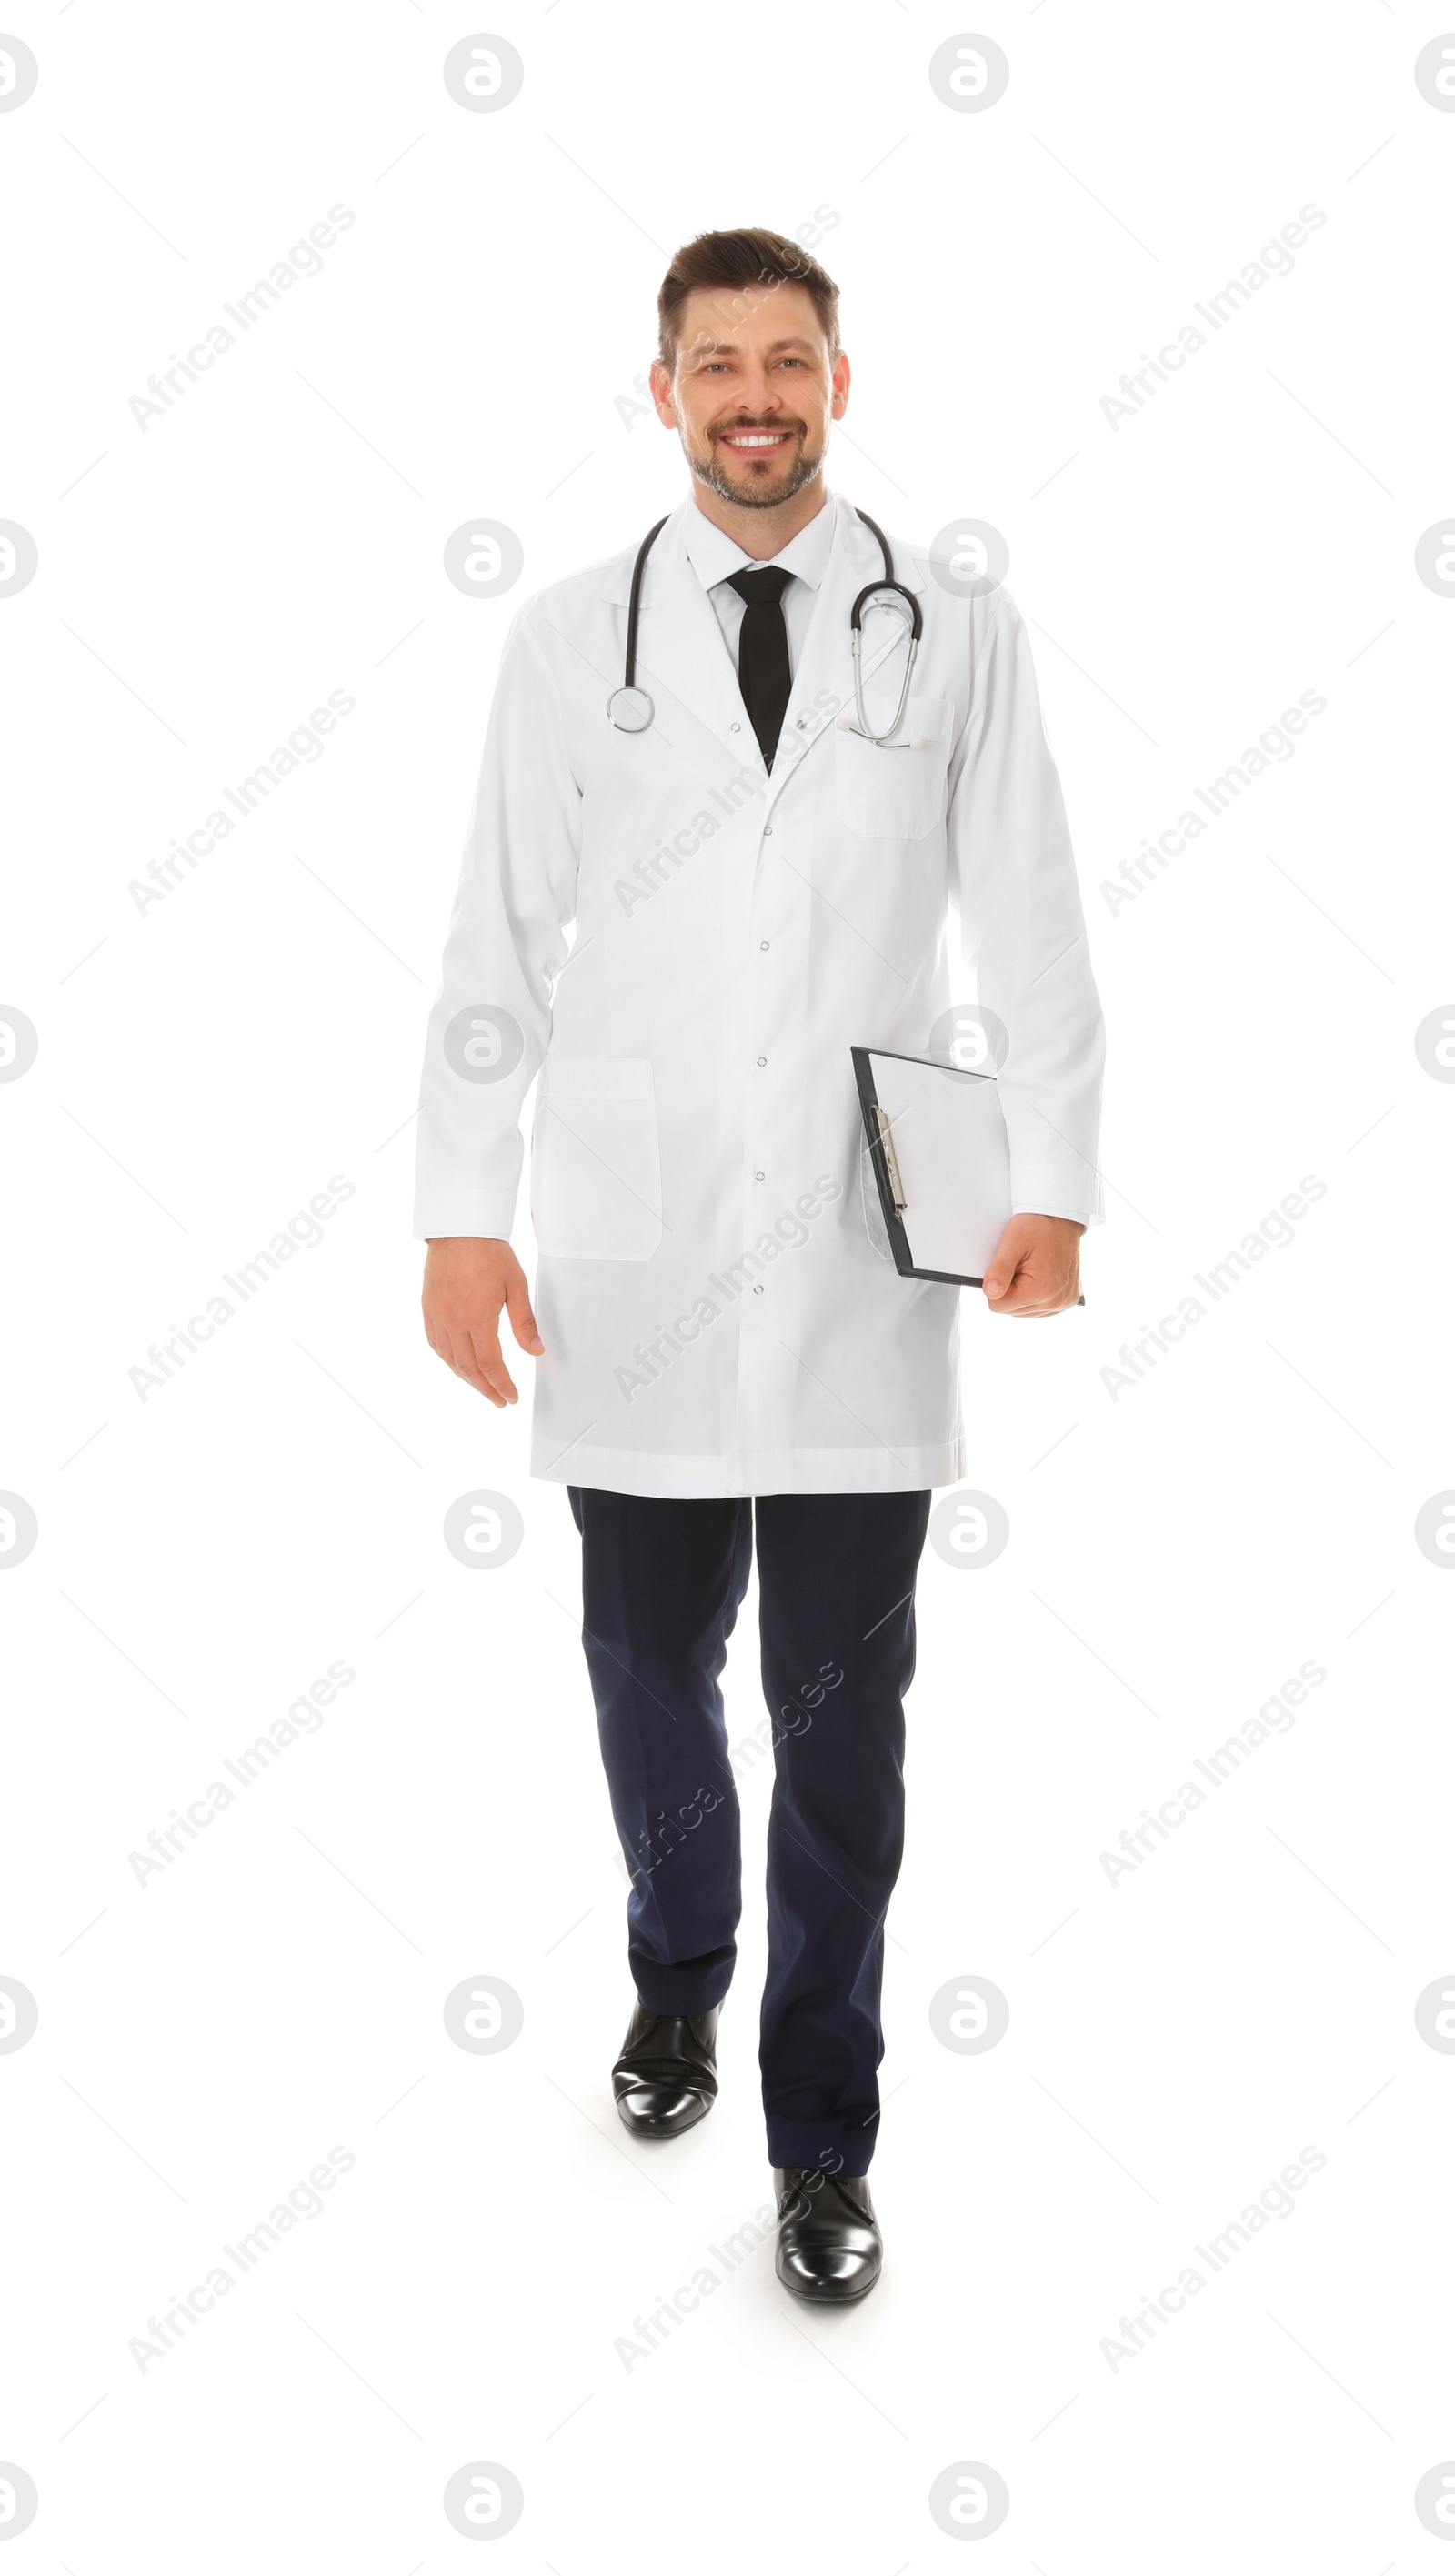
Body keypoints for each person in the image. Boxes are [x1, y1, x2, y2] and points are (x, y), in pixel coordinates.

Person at [415, 226, 1104, 2304]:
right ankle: (673, 1972)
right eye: (714, 362)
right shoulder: (565, 641)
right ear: (661, 393)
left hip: (856, 1240)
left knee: (841, 1718)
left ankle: (821, 2133)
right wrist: (460, 1206)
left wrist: (1053, 1177)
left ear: (835, 381)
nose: (752, 396)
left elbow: (1036, 914)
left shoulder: (948, 627)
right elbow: (489, 942)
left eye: (785, 361)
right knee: (642, 1669)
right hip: (633, 1244)